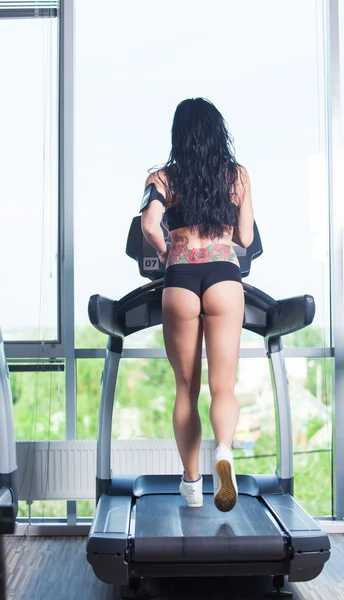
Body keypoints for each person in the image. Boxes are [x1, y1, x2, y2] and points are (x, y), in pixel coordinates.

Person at [140, 98, 254, 512]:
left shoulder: (163, 177)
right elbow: (245, 237)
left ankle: (191, 485)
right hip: (224, 274)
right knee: (223, 387)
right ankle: (224, 450)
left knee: (185, 389)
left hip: (181, 277)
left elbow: (149, 224)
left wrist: (168, 248)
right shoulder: (236, 175)